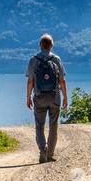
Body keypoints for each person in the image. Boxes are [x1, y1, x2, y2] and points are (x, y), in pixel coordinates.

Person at [26, 33, 67, 163]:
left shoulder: (33, 60)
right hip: (54, 97)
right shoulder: (57, 59)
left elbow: (30, 82)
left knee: (39, 126)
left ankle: (43, 149)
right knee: (53, 126)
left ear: (40, 45)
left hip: (39, 97)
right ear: (52, 45)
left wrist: (28, 97)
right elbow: (62, 80)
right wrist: (65, 97)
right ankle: (49, 155)